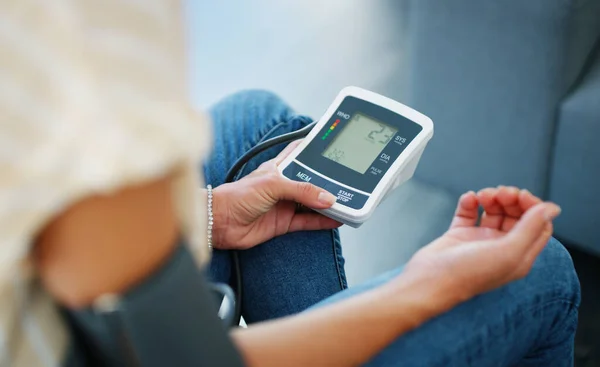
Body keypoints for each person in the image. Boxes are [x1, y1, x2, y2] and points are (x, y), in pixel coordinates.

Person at [0, 1, 580, 366]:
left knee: (258, 121)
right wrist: (424, 287)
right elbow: (187, 359)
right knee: (542, 269)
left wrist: (210, 215)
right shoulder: (71, 24)